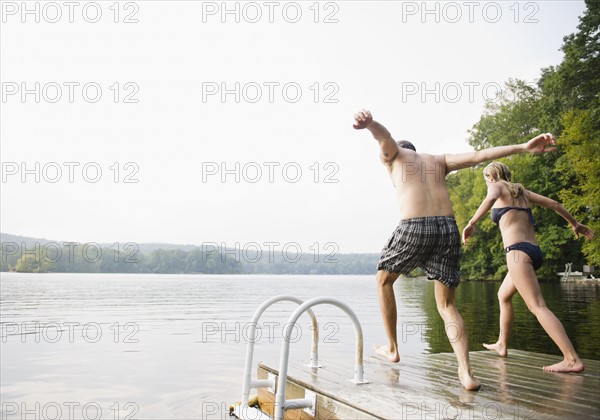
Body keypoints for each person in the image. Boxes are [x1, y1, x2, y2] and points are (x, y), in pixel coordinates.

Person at [353, 109, 558, 391]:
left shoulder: (395, 156)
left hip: (415, 225)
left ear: (399, 151)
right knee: (447, 306)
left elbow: (384, 137)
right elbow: (480, 155)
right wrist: (523, 146)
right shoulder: (439, 161)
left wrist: (369, 125)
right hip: (447, 227)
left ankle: (392, 348)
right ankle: (466, 374)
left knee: (383, 280)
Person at [462, 161, 594, 373]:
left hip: (516, 253)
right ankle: (502, 344)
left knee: (538, 307)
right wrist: (575, 224)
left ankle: (571, 359)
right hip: (533, 252)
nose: (486, 181)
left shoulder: (496, 186)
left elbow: (489, 199)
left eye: (486, 177)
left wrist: (471, 223)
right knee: (503, 296)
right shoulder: (522, 192)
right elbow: (554, 204)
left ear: (491, 176)